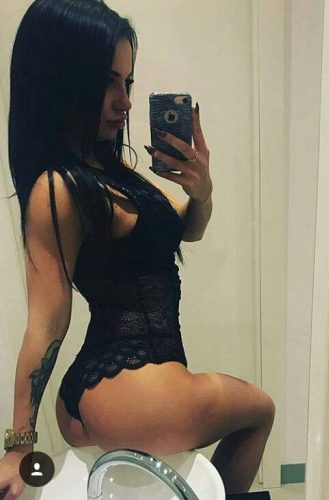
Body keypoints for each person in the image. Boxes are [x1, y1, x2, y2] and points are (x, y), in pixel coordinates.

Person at [0, 1, 275, 498]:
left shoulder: (109, 169)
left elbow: (188, 230)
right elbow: (47, 320)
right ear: (61, 79)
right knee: (260, 410)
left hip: (106, 389)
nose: (125, 102)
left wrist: (202, 191)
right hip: (133, 387)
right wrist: (19, 446)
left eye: (127, 82)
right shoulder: (59, 187)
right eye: (107, 82)